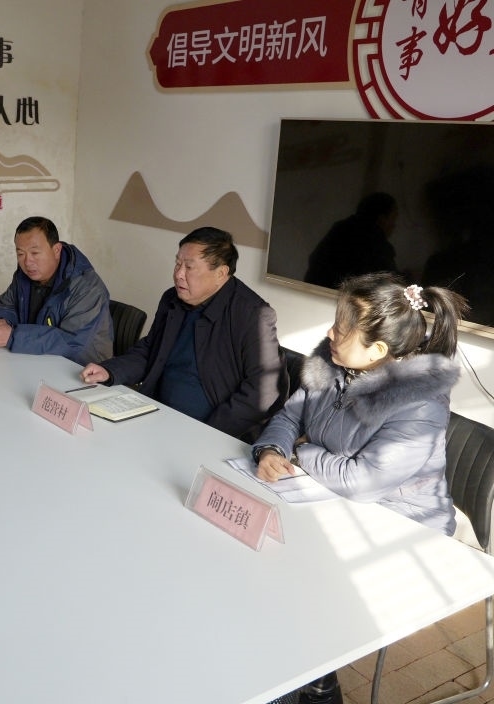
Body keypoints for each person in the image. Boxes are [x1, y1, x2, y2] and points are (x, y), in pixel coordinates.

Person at [251, 272, 468, 704]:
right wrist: (273, 448)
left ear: (379, 350)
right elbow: (291, 415)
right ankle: (305, 678)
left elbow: (363, 480)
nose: (330, 333)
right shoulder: (331, 362)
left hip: (402, 528)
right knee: (258, 561)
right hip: (329, 500)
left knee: (292, 588)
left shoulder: (419, 402)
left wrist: (302, 452)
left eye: (342, 328)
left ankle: (309, 686)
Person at [80, 227, 288, 442]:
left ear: (220, 273)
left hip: (210, 430)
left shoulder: (252, 315)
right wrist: (110, 371)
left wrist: (207, 433)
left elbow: (263, 392)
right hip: (156, 413)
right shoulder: (172, 299)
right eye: (178, 263)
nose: (178, 274)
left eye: (189, 267)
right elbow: (151, 350)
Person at [0, 215, 113, 365]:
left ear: (56, 250)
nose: (27, 262)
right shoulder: (25, 275)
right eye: (20, 254)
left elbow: (71, 342)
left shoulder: (87, 287)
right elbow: (7, 305)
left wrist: (13, 336)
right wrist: (2, 323)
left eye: (35, 253)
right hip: (37, 359)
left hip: (82, 368)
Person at [304, 192, 399, 289]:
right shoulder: (377, 245)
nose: (394, 225)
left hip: (310, 291)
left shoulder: (340, 228)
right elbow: (389, 283)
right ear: (382, 219)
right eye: (393, 219)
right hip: (336, 296)